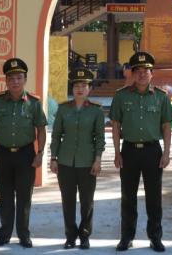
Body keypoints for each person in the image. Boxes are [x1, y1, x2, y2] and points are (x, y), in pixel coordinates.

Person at [110, 51, 172, 252]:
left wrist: (166, 153)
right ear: (132, 73)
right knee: (128, 197)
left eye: (146, 71)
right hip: (128, 151)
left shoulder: (161, 97)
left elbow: (166, 127)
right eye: (137, 71)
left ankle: (155, 237)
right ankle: (126, 237)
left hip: (152, 151)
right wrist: (116, 152)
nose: (141, 74)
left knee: (154, 198)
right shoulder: (121, 96)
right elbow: (116, 126)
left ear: (151, 74)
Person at [0, 57, 47, 248]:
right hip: (2, 153)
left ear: (25, 79)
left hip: (26, 154)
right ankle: (4, 233)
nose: (15, 82)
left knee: (24, 197)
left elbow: (41, 129)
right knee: (4, 197)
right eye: (11, 78)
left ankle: (23, 234)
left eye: (19, 78)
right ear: (6, 81)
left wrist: (40, 153)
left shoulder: (34, 103)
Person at [50, 67, 106, 250]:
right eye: (76, 86)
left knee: (87, 202)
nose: (79, 89)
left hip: (87, 162)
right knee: (68, 201)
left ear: (89, 88)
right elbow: (56, 135)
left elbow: (100, 138)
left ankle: (85, 235)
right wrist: (54, 157)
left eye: (84, 85)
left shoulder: (96, 111)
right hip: (66, 161)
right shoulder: (63, 109)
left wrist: (98, 160)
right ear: (72, 89)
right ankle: (70, 236)